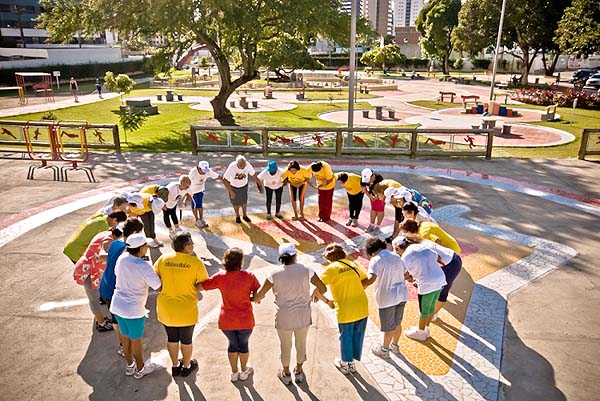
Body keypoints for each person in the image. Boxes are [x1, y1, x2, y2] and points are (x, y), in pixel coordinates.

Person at [253, 243, 327, 385]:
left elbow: (259, 296)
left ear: (281, 257)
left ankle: (286, 374)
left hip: (283, 318)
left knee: (285, 346)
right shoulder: (307, 270)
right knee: (301, 345)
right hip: (303, 316)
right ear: (295, 255)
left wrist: (254, 299)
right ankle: (299, 372)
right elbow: (322, 287)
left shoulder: (273, 274)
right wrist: (315, 293)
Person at [199, 248, 260, 381]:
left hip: (227, 320)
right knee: (243, 345)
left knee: (232, 345)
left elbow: (200, 286)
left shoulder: (220, 277)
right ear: (241, 261)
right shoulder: (249, 276)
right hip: (245, 320)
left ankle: (234, 372)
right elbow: (257, 297)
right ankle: (244, 371)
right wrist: (250, 298)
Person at [154, 233, 209, 377]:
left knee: (172, 339)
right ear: (185, 247)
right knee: (186, 340)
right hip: (186, 308)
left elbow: (154, 278)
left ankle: (174, 365)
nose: (193, 245)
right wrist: (192, 288)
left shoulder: (163, 259)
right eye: (191, 243)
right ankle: (186, 366)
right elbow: (204, 284)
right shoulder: (196, 263)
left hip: (166, 307)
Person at [110, 233, 162, 379]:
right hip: (133, 310)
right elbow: (158, 286)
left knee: (125, 339)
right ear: (141, 248)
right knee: (136, 341)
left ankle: (130, 366)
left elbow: (117, 274)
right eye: (145, 245)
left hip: (117, 306)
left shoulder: (122, 259)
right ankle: (140, 369)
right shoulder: (144, 266)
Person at [314, 244, 369, 375]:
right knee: (357, 335)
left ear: (329, 258)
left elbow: (319, 288)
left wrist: (327, 301)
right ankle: (352, 363)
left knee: (345, 336)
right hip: (362, 305)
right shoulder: (352, 264)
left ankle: (345, 363)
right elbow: (365, 279)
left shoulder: (331, 268)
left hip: (346, 308)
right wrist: (353, 288)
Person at [99, 217, 145, 357]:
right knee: (121, 321)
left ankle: (122, 344)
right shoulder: (129, 251)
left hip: (105, 286)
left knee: (115, 319)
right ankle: (123, 346)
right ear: (135, 232)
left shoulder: (115, 244)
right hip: (116, 290)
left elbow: (106, 257)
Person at [395, 236, 462, 322]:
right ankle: (430, 314)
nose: (398, 254)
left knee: (442, 292)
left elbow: (436, 260)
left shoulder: (414, 251)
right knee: (439, 287)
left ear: (401, 248)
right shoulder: (419, 244)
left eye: (397, 251)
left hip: (451, 264)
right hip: (453, 257)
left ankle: (432, 315)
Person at [361, 237, 408, 358]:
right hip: (401, 294)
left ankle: (384, 350)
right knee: (397, 323)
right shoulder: (397, 256)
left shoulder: (376, 260)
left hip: (387, 298)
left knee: (388, 327)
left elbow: (371, 279)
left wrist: (360, 286)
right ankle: (395, 346)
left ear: (371, 251)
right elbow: (406, 273)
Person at [393, 236, 446, 341]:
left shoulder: (406, 256)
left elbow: (404, 274)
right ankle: (426, 329)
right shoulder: (421, 246)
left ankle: (420, 333)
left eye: (396, 250)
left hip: (427, 284)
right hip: (440, 279)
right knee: (431, 307)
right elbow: (437, 257)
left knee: (424, 310)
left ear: (398, 249)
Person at [72, 224, 123, 332]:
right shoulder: (108, 240)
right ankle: (101, 323)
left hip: (89, 269)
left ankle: (100, 320)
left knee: (96, 297)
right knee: (93, 299)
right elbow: (102, 255)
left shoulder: (105, 233)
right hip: (88, 272)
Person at [63, 211, 127, 264]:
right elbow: (99, 244)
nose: (115, 226)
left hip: (71, 244)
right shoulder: (104, 226)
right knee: (87, 273)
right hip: (77, 251)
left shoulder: (100, 215)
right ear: (115, 219)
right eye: (117, 224)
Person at [222, 155, 264, 224]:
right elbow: (225, 180)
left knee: (244, 202)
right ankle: (237, 216)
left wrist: (260, 187)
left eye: (244, 166)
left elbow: (255, 177)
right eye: (241, 166)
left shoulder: (247, 165)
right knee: (235, 203)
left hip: (244, 186)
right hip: (233, 186)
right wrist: (231, 192)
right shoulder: (232, 167)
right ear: (237, 164)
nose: (243, 168)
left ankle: (244, 215)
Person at [189, 160, 221, 229]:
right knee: (194, 205)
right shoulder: (193, 172)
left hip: (201, 190)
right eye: (203, 170)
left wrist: (224, 179)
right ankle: (197, 220)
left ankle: (201, 219)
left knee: (200, 204)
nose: (204, 172)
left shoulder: (207, 171)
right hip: (192, 191)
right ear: (199, 168)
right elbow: (188, 182)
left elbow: (216, 175)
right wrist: (187, 194)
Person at [163, 175, 192, 239]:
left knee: (173, 214)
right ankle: (170, 230)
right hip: (166, 203)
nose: (187, 188)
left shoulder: (187, 188)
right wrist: (162, 204)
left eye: (188, 186)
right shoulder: (171, 187)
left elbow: (189, 195)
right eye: (186, 186)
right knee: (166, 215)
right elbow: (162, 194)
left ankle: (177, 228)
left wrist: (185, 201)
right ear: (181, 184)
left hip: (174, 203)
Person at [361, 168, 384, 233]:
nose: (367, 182)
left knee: (380, 209)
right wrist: (370, 197)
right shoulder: (363, 178)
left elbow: (381, 189)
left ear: (372, 176)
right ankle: (371, 225)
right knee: (373, 209)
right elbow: (364, 189)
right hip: (372, 194)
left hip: (380, 194)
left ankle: (378, 226)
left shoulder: (379, 178)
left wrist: (377, 196)